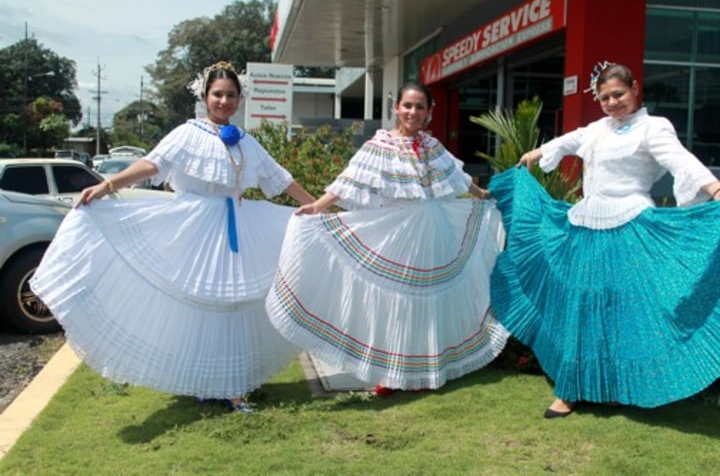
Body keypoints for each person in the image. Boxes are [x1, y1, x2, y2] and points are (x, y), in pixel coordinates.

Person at [30, 61, 315, 412]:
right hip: (195, 228)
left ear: (240, 99)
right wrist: (107, 184)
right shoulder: (188, 134)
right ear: (205, 96)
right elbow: (153, 164)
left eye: (230, 95)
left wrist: (314, 206)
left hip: (237, 228)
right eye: (218, 94)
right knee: (203, 308)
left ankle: (231, 384)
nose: (224, 101)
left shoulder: (246, 142)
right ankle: (208, 382)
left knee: (234, 308)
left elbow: (279, 178)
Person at [488, 62, 720, 418]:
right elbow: (568, 140)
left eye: (618, 94)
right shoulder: (598, 128)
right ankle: (569, 389)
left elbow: (680, 160)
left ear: (634, 89)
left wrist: (713, 187)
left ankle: (611, 384)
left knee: (620, 309)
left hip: (630, 226)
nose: (612, 102)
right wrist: (537, 154)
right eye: (605, 97)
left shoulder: (653, 127)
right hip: (586, 226)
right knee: (580, 304)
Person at [265, 81, 509, 393]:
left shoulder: (433, 147)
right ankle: (391, 375)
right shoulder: (380, 146)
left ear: (429, 113)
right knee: (398, 304)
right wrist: (316, 207)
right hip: (399, 233)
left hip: (435, 231)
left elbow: (458, 178)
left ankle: (426, 371)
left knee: (429, 304)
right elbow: (347, 182)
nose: (413, 112)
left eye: (420, 107)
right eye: (408, 105)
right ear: (396, 108)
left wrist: (482, 194)